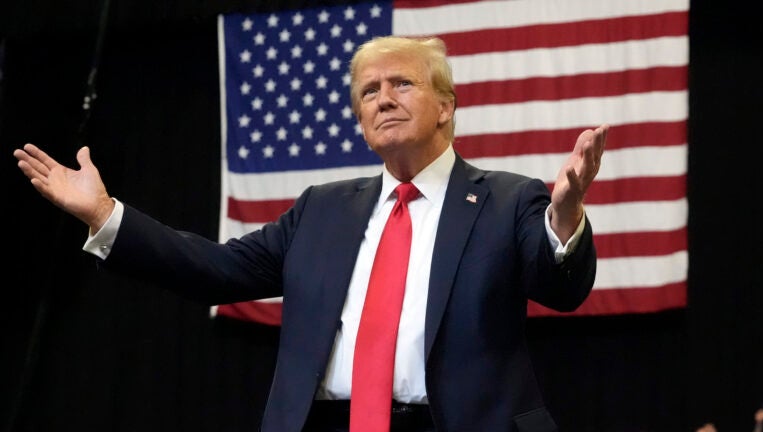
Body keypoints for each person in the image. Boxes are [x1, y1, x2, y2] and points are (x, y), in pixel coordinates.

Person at [14, 35, 608, 432]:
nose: (383, 99)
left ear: (446, 106)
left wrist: (564, 216)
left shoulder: (507, 199)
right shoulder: (321, 211)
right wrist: (105, 215)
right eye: (368, 93)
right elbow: (217, 271)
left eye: (401, 84)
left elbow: (561, 285)